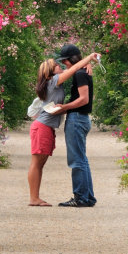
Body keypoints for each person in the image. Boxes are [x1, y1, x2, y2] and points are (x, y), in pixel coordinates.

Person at [28, 51, 100, 206]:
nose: (60, 67)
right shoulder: (54, 80)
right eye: (56, 66)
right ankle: (34, 198)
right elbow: (74, 69)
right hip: (42, 126)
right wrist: (89, 59)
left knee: (40, 163)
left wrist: (86, 63)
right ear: (50, 72)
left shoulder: (54, 81)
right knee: (37, 163)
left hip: (46, 127)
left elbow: (75, 68)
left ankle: (36, 197)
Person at [54, 43, 97, 208]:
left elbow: (83, 99)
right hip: (81, 118)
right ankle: (87, 197)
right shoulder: (82, 71)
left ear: (71, 59)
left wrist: (63, 108)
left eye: (65, 61)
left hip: (77, 119)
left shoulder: (80, 74)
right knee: (82, 160)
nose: (64, 64)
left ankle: (80, 197)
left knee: (76, 160)